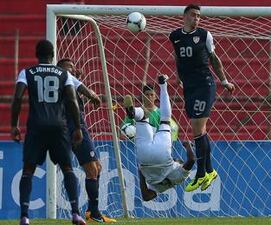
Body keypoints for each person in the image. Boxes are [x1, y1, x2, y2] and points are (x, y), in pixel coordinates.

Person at [10, 40, 86, 225]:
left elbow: (18, 97)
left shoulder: (26, 73)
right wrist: (77, 127)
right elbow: (71, 100)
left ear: (37, 54)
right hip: (59, 127)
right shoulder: (63, 73)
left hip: (36, 126)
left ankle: (25, 217)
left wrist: (14, 125)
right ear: (53, 55)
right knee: (67, 168)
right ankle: (76, 213)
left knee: (28, 170)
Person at [169, 4, 235, 192]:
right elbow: (178, 58)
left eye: (198, 16)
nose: (196, 19)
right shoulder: (175, 36)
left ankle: (200, 174)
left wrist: (224, 81)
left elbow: (214, 59)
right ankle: (210, 171)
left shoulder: (205, 35)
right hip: (189, 87)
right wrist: (178, 77)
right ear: (184, 16)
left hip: (205, 85)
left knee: (197, 129)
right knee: (200, 130)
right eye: (193, 15)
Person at [57, 58, 117, 223]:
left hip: (73, 127)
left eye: (74, 66)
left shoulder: (66, 82)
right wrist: (94, 97)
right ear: (61, 68)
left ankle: (92, 210)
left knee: (97, 167)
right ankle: (93, 214)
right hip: (75, 128)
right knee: (92, 169)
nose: (73, 69)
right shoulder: (65, 77)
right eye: (70, 66)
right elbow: (91, 94)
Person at [123, 75, 195, 201]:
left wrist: (188, 145)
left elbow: (192, 160)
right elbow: (146, 197)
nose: (177, 159)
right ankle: (134, 112)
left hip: (162, 155)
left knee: (165, 119)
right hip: (144, 159)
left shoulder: (179, 177)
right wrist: (141, 172)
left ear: (178, 164)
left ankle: (163, 85)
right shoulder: (162, 187)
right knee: (143, 117)